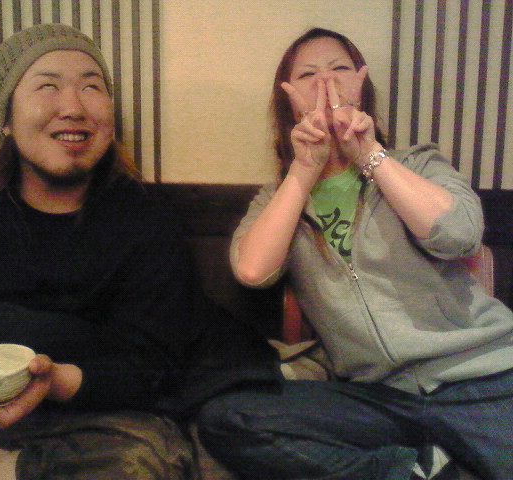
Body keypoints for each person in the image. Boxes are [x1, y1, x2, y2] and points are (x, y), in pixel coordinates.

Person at [0, 23, 279, 480]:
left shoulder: (144, 218)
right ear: (5, 118)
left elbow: (155, 364)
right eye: (47, 86)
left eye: (91, 87)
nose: (73, 107)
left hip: (94, 409)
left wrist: (53, 381)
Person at [197, 27, 513, 480]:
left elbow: (459, 233)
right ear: (289, 101)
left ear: (361, 87)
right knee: (230, 419)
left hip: (483, 378)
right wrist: (304, 170)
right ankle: (415, 472)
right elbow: (252, 270)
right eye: (308, 74)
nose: (325, 82)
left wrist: (369, 154)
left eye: (339, 69)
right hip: (378, 397)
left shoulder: (417, 163)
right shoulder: (279, 198)